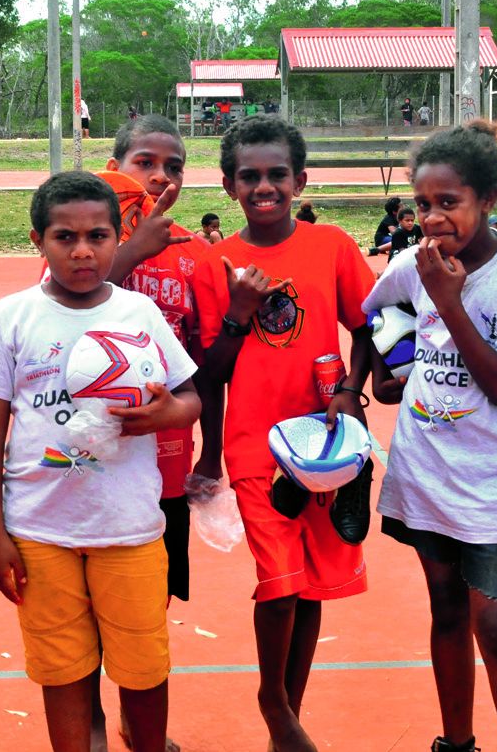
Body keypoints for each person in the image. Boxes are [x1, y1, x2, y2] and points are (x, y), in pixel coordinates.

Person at [0, 170, 201, 752]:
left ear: (120, 237)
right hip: (39, 530)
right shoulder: (12, 317)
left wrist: (167, 413)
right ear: (37, 242)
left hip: (129, 526)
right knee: (62, 670)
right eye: (64, 237)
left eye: (97, 235)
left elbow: (191, 398)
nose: (82, 250)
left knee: (144, 671)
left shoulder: (139, 314)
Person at [190, 115, 377, 752]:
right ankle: (272, 700)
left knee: (311, 582)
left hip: (325, 443)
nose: (263, 186)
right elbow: (208, 373)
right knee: (279, 578)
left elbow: (369, 325)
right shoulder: (216, 263)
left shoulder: (333, 248)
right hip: (255, 444)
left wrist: (352, 390)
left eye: (276, 175)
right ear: (227, 185)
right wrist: (239, 314)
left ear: (300, 180)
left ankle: (286, 721)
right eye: (249, 176)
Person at [363, 121, 497, 752]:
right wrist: (386, 375)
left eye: (450, 203)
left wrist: (447, 300)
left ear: (487, 200)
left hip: (495, 480)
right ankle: (456, 743)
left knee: (496, 628)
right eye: (423, 204)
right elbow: (372, 316)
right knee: (445, 610)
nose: (434, 217)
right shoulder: (409, 266)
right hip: (426, 468)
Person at [99, 114, 217, 750]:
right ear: (116, 166)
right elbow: (66, 297)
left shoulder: (192, 255)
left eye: (174, 166)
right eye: (146, 161)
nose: (161, 175)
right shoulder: (85, 238)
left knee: (146, 605)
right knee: (85, 609)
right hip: (86, 462)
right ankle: (90, 724)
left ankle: (134, 722)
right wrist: (135, 245)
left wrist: (215, 453)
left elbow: (204, 367)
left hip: (166, 462)